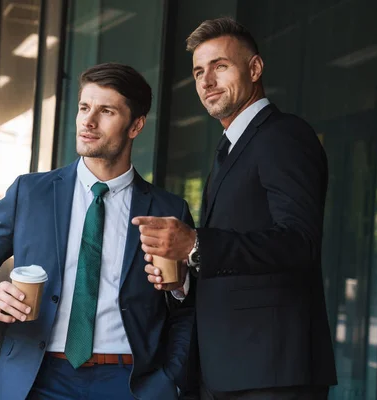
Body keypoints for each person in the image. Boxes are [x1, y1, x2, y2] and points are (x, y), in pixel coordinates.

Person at [0, 63, 195, 400]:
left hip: (130, 383)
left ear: (136, 125)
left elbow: (188, 304)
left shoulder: (169, 210)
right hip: (38, 379)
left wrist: (170, 378)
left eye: (106, 111)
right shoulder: (30, 193)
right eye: (84, 107)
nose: (88, 121)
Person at [132, 17, 337, 399]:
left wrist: (195, 245)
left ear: (255, 69)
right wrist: (182, 280)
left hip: (272, 371)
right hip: (229, 368)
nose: (206, 82)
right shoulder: (230, 149)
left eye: (219, 66)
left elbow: (300, 242)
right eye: (198, 72)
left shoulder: (283, 135)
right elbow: (235, 257)